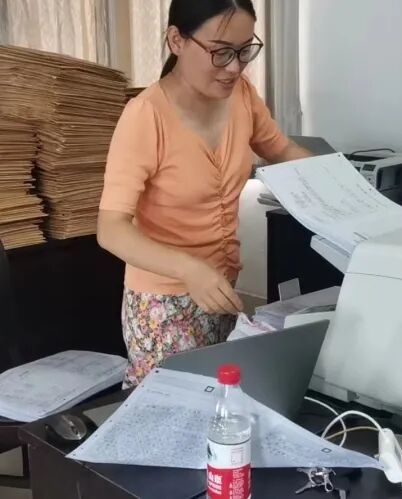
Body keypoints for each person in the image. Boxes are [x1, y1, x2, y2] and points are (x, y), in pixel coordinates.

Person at [97, 0, 313, 387]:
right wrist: (189, 269)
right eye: (221, 52)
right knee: (177, 411)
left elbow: (282, 150)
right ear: (176, 40)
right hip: (164, 304)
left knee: (225, 404)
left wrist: (341, 184)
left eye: (244, 51)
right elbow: (111, 229)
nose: (234, 67)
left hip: (220, 290)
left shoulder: (242, 95)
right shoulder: (145, 116)